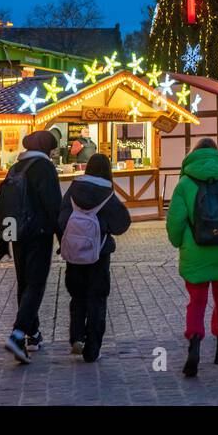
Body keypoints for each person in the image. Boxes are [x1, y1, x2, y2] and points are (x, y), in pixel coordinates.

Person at [167, 137, 218, 375]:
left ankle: (195, 344)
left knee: (196, 301)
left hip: (195, 252)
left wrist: (179, 243)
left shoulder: (184, 184)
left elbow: (175, 221)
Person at [0, 130, 63, 364]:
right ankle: (18, 335)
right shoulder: (44, 168)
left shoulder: (16, 167)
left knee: (24, 283)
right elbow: (54, 205)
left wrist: (5, 237)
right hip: (39, 233)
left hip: (17, 233)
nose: (53, 153)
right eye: (52, 149)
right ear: (46, 148)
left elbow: (4, 202)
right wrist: (63, 237)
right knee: (36, 284)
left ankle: (33, 334)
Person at [56, 153, 130, 362]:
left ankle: (77, 337)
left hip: (74, 254)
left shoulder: (74, 189)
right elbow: (122, 223)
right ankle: (92, 349)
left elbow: (61, 218)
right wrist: (104, 227)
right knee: (97, 298)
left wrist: (69, 240)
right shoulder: (107, 193)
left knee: (77, 296)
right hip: (99, 253)